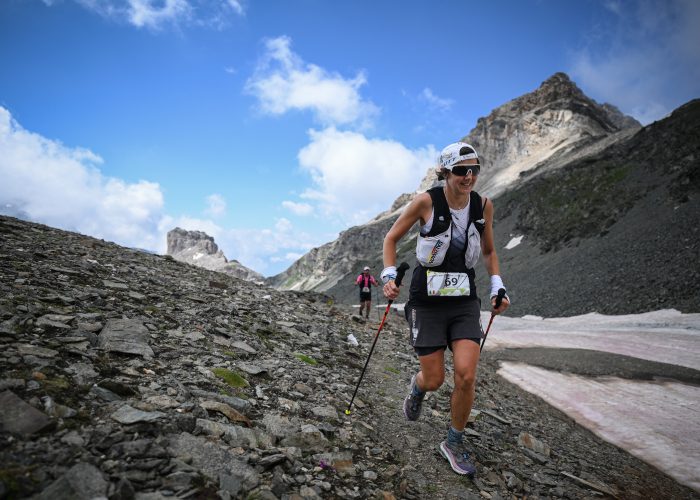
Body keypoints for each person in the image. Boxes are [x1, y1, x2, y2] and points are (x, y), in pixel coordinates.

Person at [381, 142, 510, 477]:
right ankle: (417, 387)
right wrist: (389, 274)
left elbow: (490, 251)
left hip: (464, 299)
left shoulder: (484, 206)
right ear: (445, 172)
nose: (469, 177)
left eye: (474, 170)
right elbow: (391, 239)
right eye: (460, 171)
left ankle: (454, 441)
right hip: (427, 300)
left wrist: (498, 285)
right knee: (435, 379)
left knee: (466, 375)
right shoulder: (426, 201)